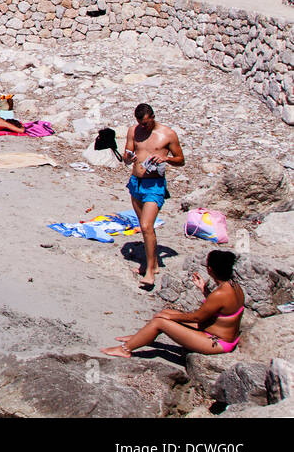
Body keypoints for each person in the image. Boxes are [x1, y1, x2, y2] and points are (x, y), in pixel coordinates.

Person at [102, 250, 245, 358]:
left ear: (210, 269)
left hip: (216, 342)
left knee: (161, 321)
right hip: (217, 333)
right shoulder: (234, 286)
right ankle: (140, 337)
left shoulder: (220, 294)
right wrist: (204, 289)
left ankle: (125, 350)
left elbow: (197, 318)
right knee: (165, 313)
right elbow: (221, 307)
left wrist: (170, 319)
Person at [122, 103, 185, 290]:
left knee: (146, 225)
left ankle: (149, 271)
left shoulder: (168, 134)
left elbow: (181, 160)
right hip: (136, 182)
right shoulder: (133, 130)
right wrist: (128, 158)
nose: (144, 127)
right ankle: (153, 263)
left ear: (153, 117)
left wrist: (166, 158)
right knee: (144, 226)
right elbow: (125, 157)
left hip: (154, 185)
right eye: (141, 123)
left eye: (147, 123)